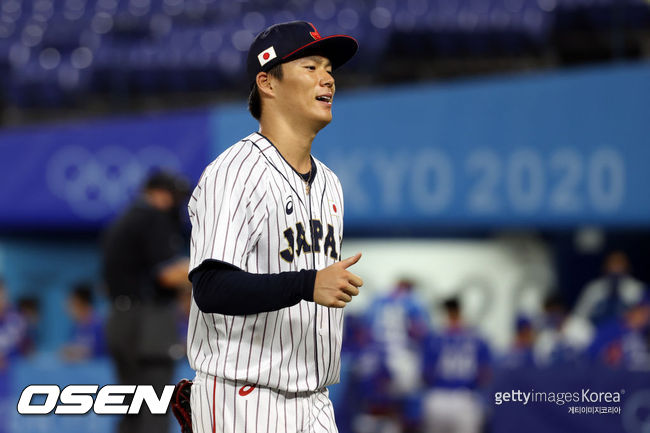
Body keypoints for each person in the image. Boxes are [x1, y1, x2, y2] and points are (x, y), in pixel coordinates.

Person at [184, 21, 362, 433]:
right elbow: (210, 287)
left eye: (329, 69)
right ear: (267, 82)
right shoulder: (234, 172)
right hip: (242, 397)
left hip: (316, 400)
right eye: (311, 67)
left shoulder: (330, 182)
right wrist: (306, 284)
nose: (328, 78)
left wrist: (312, 284)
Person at [102, 170, 192, 433]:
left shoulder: (123, 220)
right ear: (158, 193)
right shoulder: (153, 218)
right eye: (173, 196)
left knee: (131, 406)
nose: (176, 203)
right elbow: (167, 275)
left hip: (120, 320)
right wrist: (211, 269)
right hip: (148, 323)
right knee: (154, 405)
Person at [422, 298, 491, 433]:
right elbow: (485, 374)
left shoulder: (435, 338)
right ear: (461, 311)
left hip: (438, 397)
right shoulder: (477, 338)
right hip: (464, 398)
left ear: (446, 313)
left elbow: (425, 374)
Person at [573, 251, 646, 326]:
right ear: (605, 266)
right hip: (596, 331)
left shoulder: (638, 288)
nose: (616, 266)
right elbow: (579, 315)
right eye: (612, 262)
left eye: (619, 262)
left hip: (627, 331)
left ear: (627, 266)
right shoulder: (593, 288)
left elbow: (644, 317)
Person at [60, 282, 106, 362]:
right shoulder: (76, 327)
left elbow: (100, 351)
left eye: (71, 304)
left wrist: (80, 352)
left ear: (80, 303)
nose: (68, 309)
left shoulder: (100, 325)